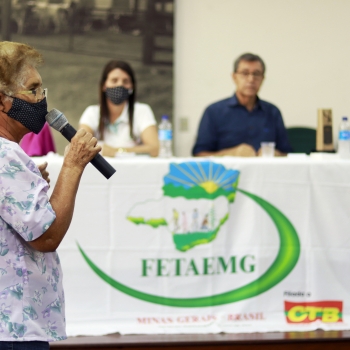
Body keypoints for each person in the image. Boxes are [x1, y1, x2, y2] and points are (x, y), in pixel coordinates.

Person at [0, 41, 101, 348]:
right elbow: (45, 237)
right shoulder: (6, 156)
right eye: (33, 89)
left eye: (42, 90)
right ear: (2, 101)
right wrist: (73, 164)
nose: (42, 100)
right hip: (15, 327)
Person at [192, 53, 292, 157]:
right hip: (228, 172)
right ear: (234, 77)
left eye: (256, 74)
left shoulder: (273, 112)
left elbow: (287, 153)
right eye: (245, 73)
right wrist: (233, 153)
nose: (251, 79)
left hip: (265, 172)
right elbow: (199, 154)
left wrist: (274, 154)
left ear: (262, 78)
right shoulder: (213, 111)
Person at [79, 60, 159, 157]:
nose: (120, 85)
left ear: (132, 87)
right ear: (104, 85)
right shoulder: (92, 113)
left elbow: (154, 149)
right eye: (114, 80)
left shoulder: (142, 111)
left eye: (125, 81)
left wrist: (116, 151)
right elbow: (81, 146)